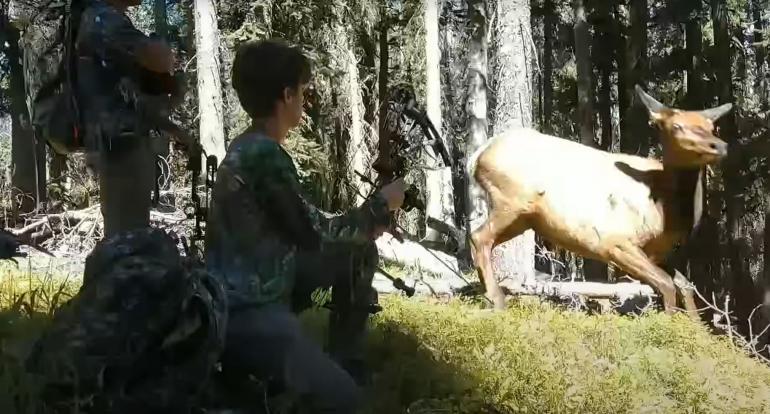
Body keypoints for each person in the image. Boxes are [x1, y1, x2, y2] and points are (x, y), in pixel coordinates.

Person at [204, 38, 405, 413]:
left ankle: (342, 359)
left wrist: (365, 225)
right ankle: (285, 379)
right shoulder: (263, 156)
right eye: (303, 91)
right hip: (249, 313)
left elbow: (302, 227)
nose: (305, 100)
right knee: (346, 402)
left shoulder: (248, 146)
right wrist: (382, 206)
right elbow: (313, 232)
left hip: (248, 291)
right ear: (286, 95)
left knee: (359, 251)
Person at [76, 0, 185, 238]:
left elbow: (130, 97)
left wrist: (172, 127)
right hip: (119, 148)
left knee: (129, 233)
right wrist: (163, 48)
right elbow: (159, 58)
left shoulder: (104, 18)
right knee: (127, 238)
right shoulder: (103, 18)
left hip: (119, 144)